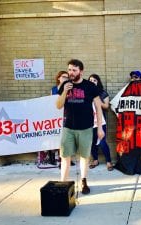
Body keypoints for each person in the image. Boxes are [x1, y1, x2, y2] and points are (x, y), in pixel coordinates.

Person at [56, 59, 105, 194]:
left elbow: (99, 108)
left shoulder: (90, 86)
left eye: (74, 70)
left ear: (81, 71)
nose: (71, 73)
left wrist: (100, 128)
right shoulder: (65, 85)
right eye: (69, 70)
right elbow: (58, 105)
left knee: (84, 156)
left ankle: (84, 181)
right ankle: (63, 184)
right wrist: (65, 91)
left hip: (86, 128)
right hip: (68, 128)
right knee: (65, 156)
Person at [37, 71, 69, 169]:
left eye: (67, 77)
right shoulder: (54, 89)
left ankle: (63, 159)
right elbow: (50, 103)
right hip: (55, 116)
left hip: (65, 115)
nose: (65, 79)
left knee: (64, 138)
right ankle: (53, 159)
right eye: (63, 77)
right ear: (58, 78)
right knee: (55, 137)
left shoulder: (68, 88)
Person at [88, 74, 113, 171]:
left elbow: (106, 106)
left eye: (94, 80)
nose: (92, 81)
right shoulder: (86, 92)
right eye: (90, 80)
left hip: (101, 121)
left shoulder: (102, 93)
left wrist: (97, 101)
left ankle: (109, 161)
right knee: (92, 143)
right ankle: (95, 160)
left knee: (102, 142)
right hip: (90, 122)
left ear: (98, 82)